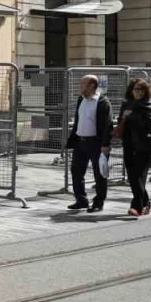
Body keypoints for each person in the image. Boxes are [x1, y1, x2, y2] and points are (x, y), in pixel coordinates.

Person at [66, 74, 113, 213]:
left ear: (92, 85)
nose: (80, 86)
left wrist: (105, 144)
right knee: (76, 172)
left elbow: (107, 125)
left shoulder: (103, 102)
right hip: (80, 143)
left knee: (99, 174)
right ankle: (81, 200)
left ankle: (98, 202)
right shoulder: (81, 99)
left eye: (83, 83)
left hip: (96, 144)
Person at [116, 78, 151, 217]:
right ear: (131, 90)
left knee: (138, 175)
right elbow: (120, 120)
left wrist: (132, 116)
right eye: (136, 89)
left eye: (141, 89)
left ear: (146, 91)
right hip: (128, 143)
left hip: (144, 145)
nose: (138, 92)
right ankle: (146, 203)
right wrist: (124, 119)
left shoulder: (149, 105)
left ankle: (137, 206)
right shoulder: (126, 104)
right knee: (132, 176)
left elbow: (150, 127)